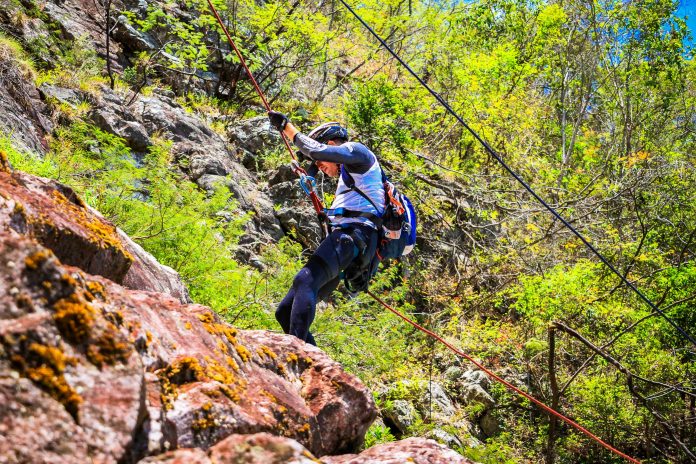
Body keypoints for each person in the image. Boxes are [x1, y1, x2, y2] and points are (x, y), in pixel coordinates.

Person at [268, 111, 385, 345]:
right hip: (349, 241)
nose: (320, 168)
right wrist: (308, 173)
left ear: (332, 143)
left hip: (354, 236)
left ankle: (296, 355)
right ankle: (316, 363)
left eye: (321, 164)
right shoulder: (350, 179)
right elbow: (317, 157)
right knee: (284, 311)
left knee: (305, 281)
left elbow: (318, 151)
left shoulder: (358, 152)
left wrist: (287, 128)